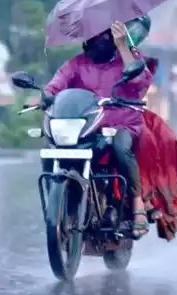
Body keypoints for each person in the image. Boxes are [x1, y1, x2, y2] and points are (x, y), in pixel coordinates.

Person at [41, 20, 152, 239]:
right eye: (93, 36)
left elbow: (141, 82)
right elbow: (55, 85)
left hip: (122, 122)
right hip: (87, 126)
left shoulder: (129, 58)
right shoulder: (76, 64)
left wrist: (123, 47)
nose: (98, 40)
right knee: (50, 148)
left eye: (104, 35)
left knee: (121, 148)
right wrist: (46, 95)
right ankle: (59, 206)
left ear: (112, 36)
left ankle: (138, 205)